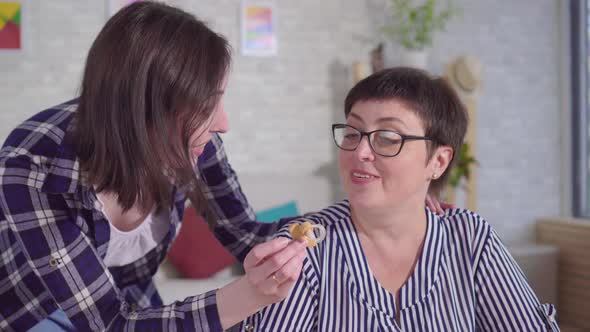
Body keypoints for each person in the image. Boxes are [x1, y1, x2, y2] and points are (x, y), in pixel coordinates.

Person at [0, 2, 307, 331]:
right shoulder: (33, 166)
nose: (223, 123)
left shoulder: (196, 143)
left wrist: (330, 228)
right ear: (147, 109)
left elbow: (243, 233)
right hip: (33, 309)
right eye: (207, 104)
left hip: (131, 300)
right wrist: (249, 296)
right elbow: (111, 324)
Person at [240, 67, 560, 331]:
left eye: (388, 138)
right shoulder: (307, 246)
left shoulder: (471, 238)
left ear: (438, 161)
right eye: (352, 134)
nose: (361, 152)